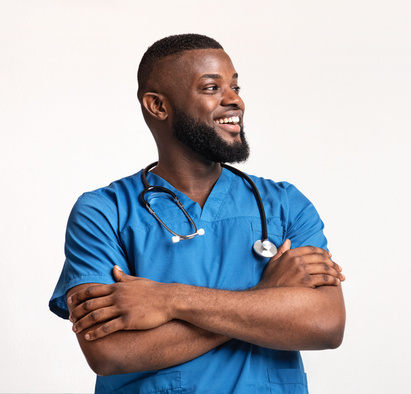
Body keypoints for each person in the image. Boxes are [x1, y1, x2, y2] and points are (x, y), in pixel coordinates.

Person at [48, 33, 346, 393]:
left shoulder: (284, 204)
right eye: (211, 87)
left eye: (235, 86)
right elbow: (110, 353)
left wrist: (169, 299)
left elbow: (325, 324)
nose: (234, 100)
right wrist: (267, 295)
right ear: (158, 106)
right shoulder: (103, 213)